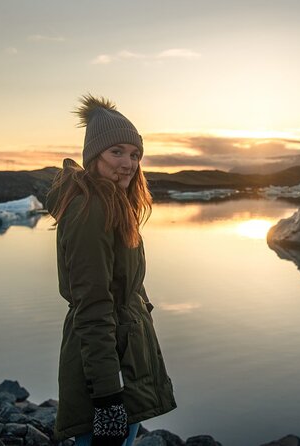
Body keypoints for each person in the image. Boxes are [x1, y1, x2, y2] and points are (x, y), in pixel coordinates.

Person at [46, 94, 176, 446]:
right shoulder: (91, 212)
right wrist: (107, 398)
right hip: (107, 369)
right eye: (116, 152)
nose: (128, 163)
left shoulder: (116, 206)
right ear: (94, 156)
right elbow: (92, 307)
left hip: (125, 360)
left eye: (135, 154)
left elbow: (125, 288)